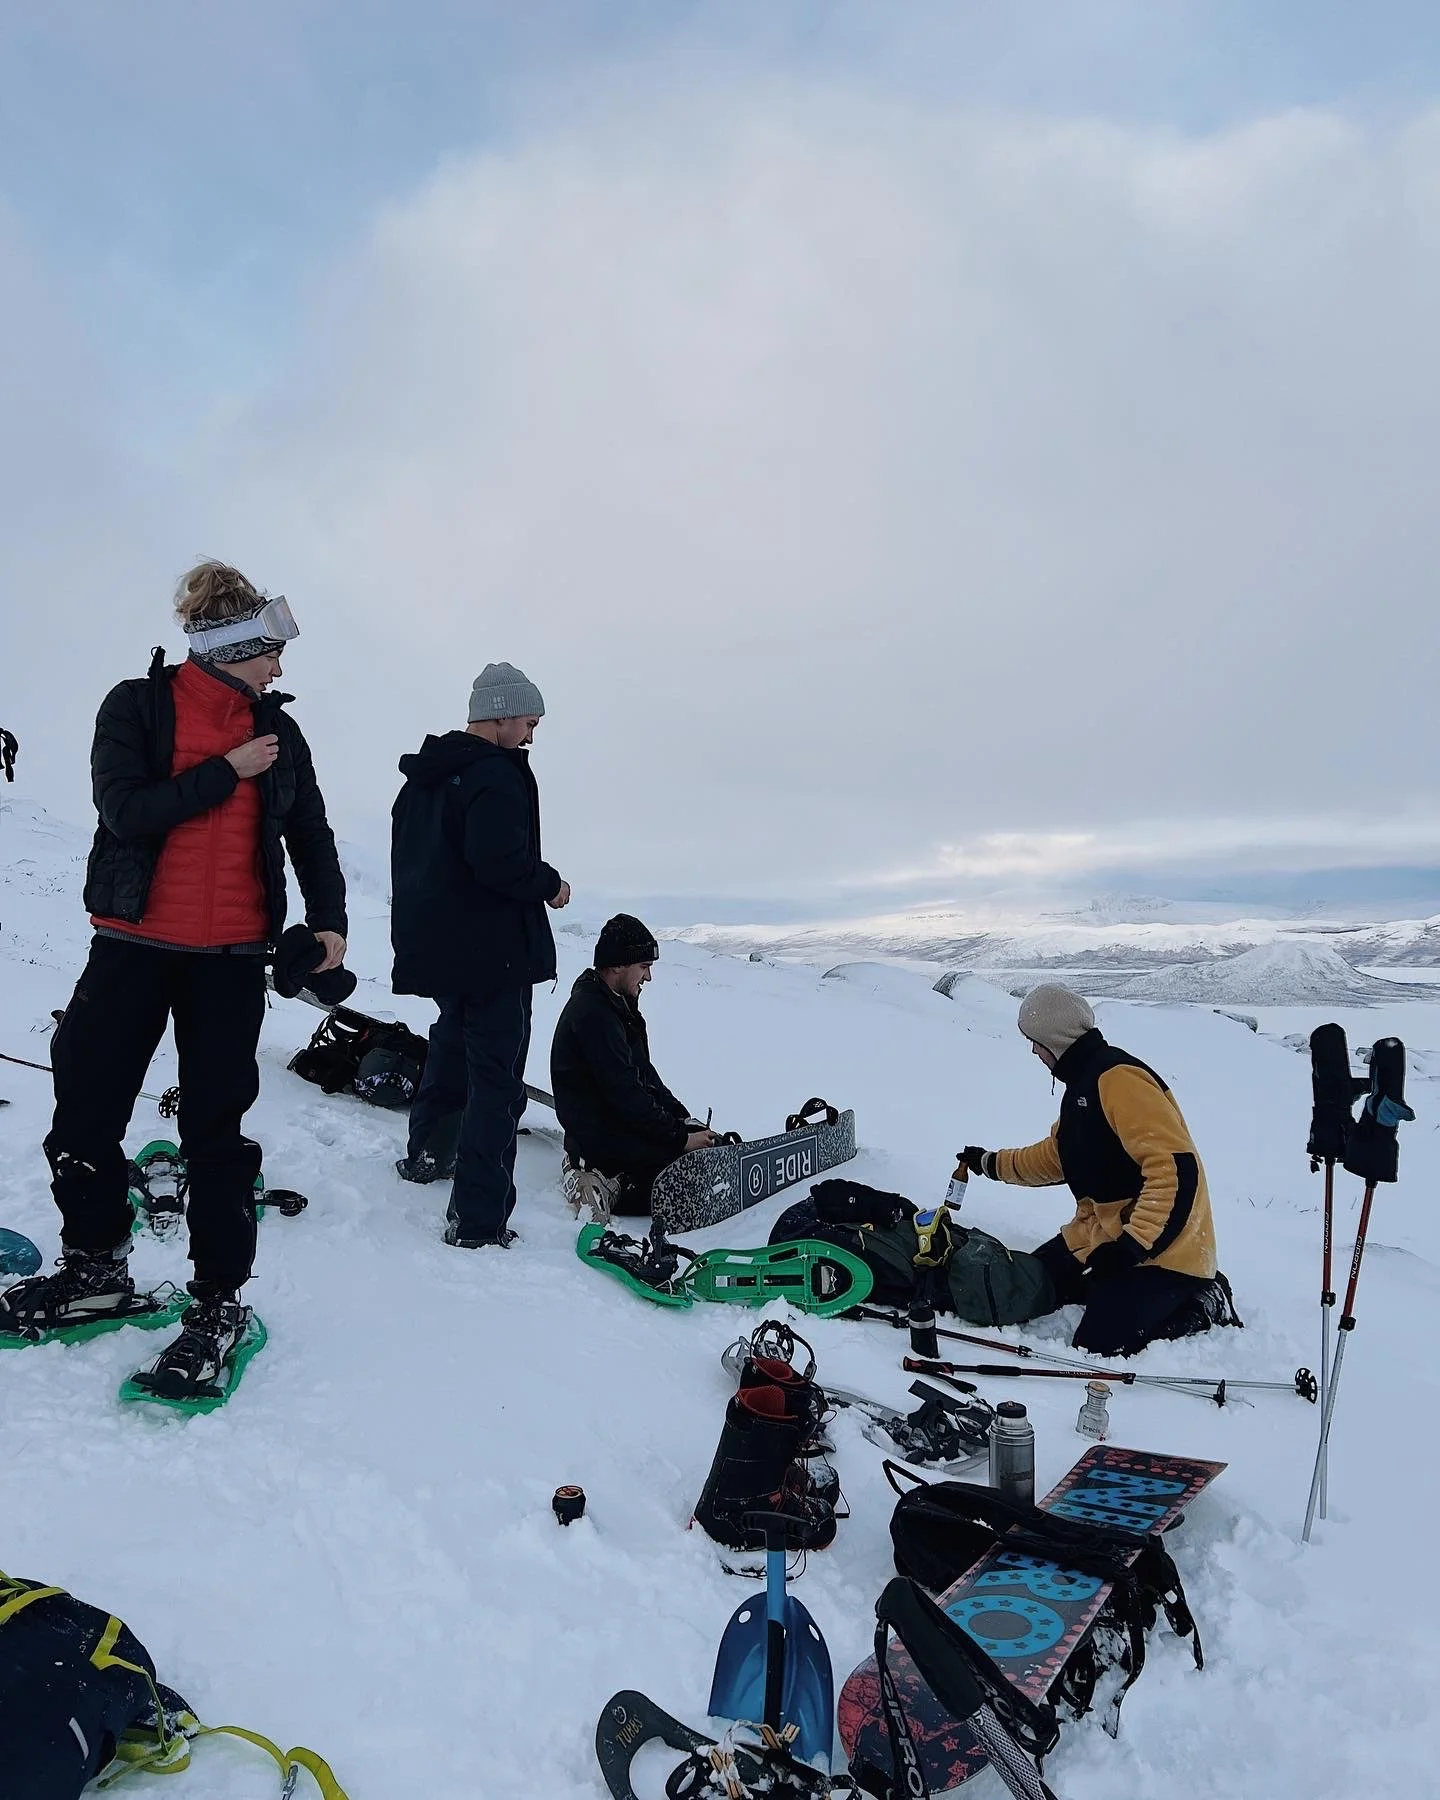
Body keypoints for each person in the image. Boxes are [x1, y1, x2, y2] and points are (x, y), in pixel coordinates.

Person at [0, 563, 348, 1393]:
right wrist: (228, 770)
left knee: (215, 1139)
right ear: (231, 646)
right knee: (84, 1111)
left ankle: (219, 1301)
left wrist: (330, 919)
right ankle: (95, 1270)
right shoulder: (138, 707)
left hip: (229, 963)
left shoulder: (279, 732)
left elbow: (312, 830)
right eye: (269, 651)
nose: (280, 669)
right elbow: (127, 812)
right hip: (131, 946)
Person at [391, 663, 570, 1247]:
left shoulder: (425, 779)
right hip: (496, 953)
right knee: (497, 1080)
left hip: (444, 948)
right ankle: (478, 1217)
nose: (530, 737)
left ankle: (427, 1155)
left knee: (449, 1048)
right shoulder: (494, 774)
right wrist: (550, 884)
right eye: (528, 722)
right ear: (499, 712)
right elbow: (498, 862)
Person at [961, 984, 1227, 1357]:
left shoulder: (1119, 1079)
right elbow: (1059, 1156)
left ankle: (1203, 1300)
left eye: (1036, 1041)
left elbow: (1175, 1171)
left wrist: (1131, 1247)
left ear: (1056, 1038)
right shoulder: (1083, 1083)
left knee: (1099, 1344)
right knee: (1037, 1283)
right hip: (1100, 1234)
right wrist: (990, 1163)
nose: (1033, 1050)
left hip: (1163, 1250)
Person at [550, 915, 716, 1217]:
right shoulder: (593, 1014)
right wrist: (679, 1140)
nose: (648, 977)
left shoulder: (616, 1004)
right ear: (617, 965)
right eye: (643, 967)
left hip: (613, 1126)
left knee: (696, 1151)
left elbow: (643, 1075)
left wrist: (683, 1121)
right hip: (600, 1139)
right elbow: (625, 1093)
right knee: (681, 1173)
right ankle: (598, 1179)